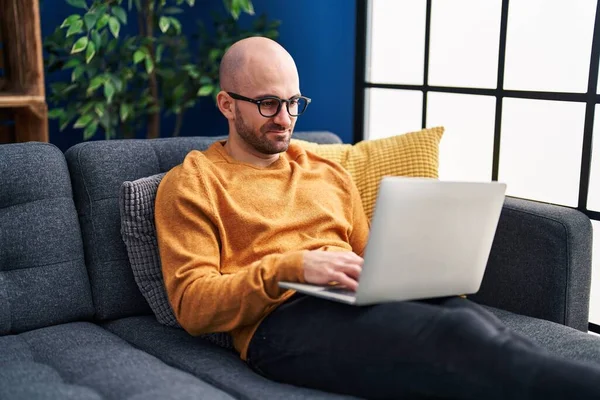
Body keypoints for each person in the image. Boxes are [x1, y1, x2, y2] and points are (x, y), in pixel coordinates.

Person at [155, 36, 600, 399]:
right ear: (227, 104)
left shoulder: (326, 169)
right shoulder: (193, 182)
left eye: (294, 102)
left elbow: (369, 255)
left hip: (357, 298)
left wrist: (413, 269)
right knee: (453, 343)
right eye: (268, 103)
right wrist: (291, 267)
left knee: (474, 325)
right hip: (281, 323)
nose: (286, 119)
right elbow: (193, 305)